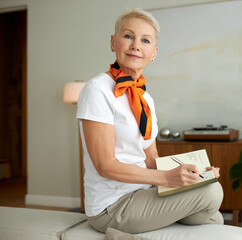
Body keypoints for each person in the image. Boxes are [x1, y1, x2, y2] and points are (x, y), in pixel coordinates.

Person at [76, 9, 224, 237]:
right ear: (113, 42)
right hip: (112, 205)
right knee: (211, 195)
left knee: (212, 209)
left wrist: (197, 174)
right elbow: (105, 165)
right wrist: (167, 178)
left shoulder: (145, 99)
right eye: (128, 36)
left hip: (144, 193)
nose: (136, 45)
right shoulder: (97, 90)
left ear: (153, 53)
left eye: (145, 40)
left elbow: (151, 160)